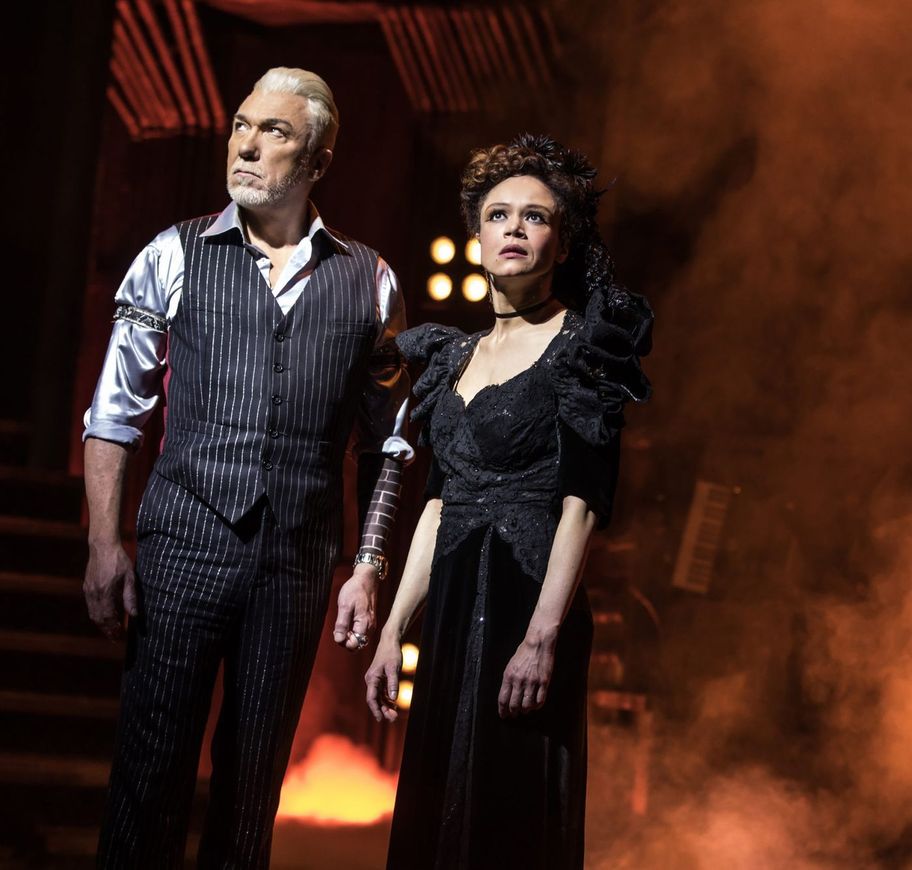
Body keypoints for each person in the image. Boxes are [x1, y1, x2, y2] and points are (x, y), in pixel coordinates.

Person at [81, 67, 411, 868]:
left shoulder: (370, 280)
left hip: (295, 562)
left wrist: (369, 565)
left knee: (252, 789)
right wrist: (103, 542)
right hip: (182, 544)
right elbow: (114, 415)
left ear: (319, 162)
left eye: (274, 131)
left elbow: (390, 443)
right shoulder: (173, 253)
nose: (247, 145)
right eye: (240, 125)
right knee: (150, 776)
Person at [365, 134, 652, 868]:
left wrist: (542, 636)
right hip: (453, 604)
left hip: (529, 602)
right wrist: (394, 627)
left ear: (563, 244)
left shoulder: (584, 350)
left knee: (508, 810)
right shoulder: (451, 357)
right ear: (477, 237)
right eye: (498, 215)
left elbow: (582, 506)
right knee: (439, 804)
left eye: (535, 216)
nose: (514, 228)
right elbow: (438, 506)